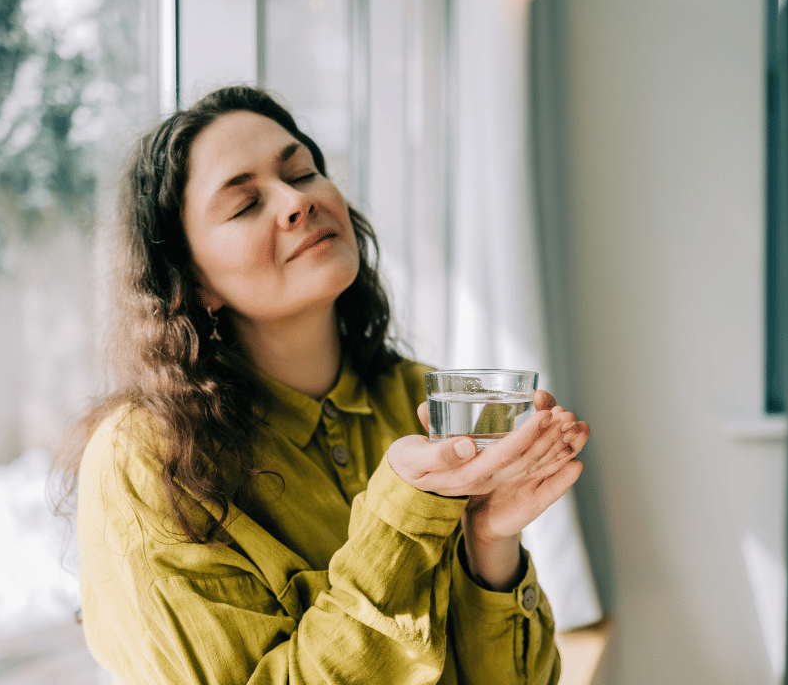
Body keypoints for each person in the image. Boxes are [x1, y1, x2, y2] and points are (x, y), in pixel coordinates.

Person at [54, 85, 589, 684]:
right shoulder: (146, 462)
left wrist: (490, 538)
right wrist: (404, 517)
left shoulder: (417, 401)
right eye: (243, 204)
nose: (295, 201)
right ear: (192, 282)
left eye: (303, 171)